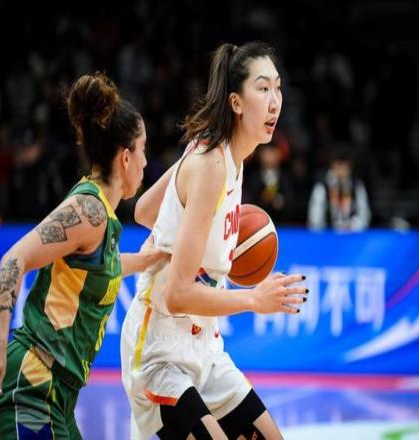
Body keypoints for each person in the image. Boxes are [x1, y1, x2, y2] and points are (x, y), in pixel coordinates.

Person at [0, 71, 167, 439]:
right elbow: (13, 259)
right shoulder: (89, 211)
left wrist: (152, 258)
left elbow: (103, 268)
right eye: (144, 149)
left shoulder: (102, 217)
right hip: (31, 384)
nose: (147, 162)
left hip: (58, 394)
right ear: (126, 157)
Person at [121, 42, 308, 439]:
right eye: (263, 88)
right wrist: (254, 299)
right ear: (236, 103)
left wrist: (185, 232)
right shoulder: (210, 164)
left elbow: (146, 211)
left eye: (277, 88)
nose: (275, 101)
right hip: (160, 349)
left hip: (204, 346)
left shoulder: (224, 157)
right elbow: (177, 295)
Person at [307, 145, 371, 231]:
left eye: (345, 167)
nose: (342, 170)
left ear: (350, 167)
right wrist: (325, 230)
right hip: (327, 234)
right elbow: (315, 216)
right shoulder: (322, 185)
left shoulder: (357, 185)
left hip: (352, 233)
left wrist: (353, 225)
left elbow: (364, 214)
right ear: (332, 166)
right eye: (339, 166)